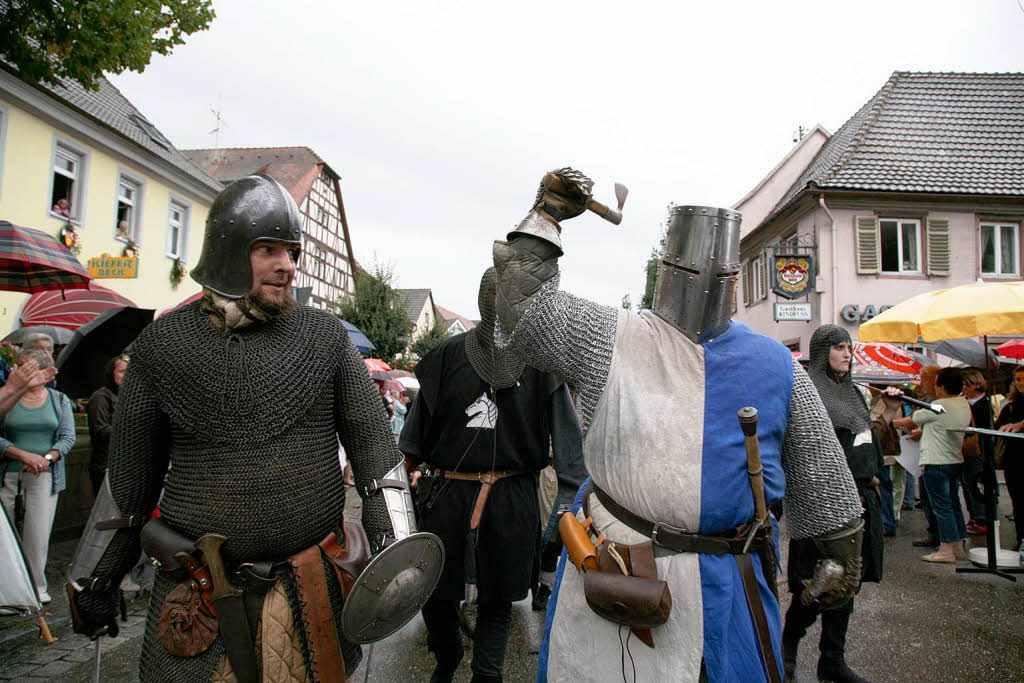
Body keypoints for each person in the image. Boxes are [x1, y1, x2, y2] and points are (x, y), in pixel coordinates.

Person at [489, 169, 864, 683]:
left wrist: (840, 549)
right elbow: (523, 311)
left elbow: (822, 473)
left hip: (729, 580)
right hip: (619, 570)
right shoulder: (611, 337)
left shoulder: (774, 364)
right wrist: (547, 215)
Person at [65, 174, 419, 682]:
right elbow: (129, 486)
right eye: (268, 249)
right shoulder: (164, 348)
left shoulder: (324, 340)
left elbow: (376, 455)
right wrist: (98, 578)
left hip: (309, 585)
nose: (287, 265)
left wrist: (396, 549)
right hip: (200, 589)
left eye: (291, 251)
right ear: (230, 251)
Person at [401, 268, 586, 683]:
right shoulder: (444, 360)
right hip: (447, 495)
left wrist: (559, 523)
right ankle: (446, 655)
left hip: (512, 497)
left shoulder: (542, 366)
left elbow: (572, 463)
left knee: (497, 603)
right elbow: (410, 445)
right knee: (436, 595)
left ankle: (487, 677)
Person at [784, 325, 886, 683]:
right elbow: (804, 451)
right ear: (822, 350)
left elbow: (867, 443)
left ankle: (832, 661)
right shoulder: (809, 393)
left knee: (848, 584)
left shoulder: (855, 394)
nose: (847, 354)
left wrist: (873, 477)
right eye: (840, 348)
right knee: (814, 586)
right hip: (823, 504)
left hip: (861, 501)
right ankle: (788, 648)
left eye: (849, 348)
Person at [0, 349, 76, 604]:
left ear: (43, 372)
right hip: (8, 473)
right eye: (18, 366)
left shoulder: (59, 400)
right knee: (7, 536)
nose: (17, 371)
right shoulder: (8, 398)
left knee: (37, 534)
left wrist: (46, 458)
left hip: (44, 474)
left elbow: (67, 437)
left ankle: (36, 587)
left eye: (25, 367)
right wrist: (22, 455)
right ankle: (9, 591)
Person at [894, 367, 971, 563]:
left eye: (936, 383)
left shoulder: (937, 405)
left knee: (942, 507)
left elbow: (910, 421)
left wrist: (887, 421)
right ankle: (958, 546)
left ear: (942, 386)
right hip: (955, 459)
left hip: (936, 462)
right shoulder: (963, 403)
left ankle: (946, 549)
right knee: (953, 504)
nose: (934, 387)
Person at [85, 355, 129, 497]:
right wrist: (132, 430)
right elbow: (100, 430)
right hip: (106, 465)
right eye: (122, 371)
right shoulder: (101, 397)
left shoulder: (131, 397)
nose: (127, 375)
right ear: (112, 373)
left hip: (129, 465)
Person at [995, 365, 1024, 551]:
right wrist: (1003, 426)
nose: (1020, 383)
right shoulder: (1011, 405)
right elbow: (998, 425)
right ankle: (1021, 539)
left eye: (1023, 379)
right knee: (1018, 503)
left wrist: (1021, 424)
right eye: (1018, 379)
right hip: (1014, 460)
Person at [961, 368, 992, 535]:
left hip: (978, 447)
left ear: (976, 385)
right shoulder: (964, 401)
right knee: (966, 483)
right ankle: (974, 515)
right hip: (965, 447)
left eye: (967, 384)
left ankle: (981, 518)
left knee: (975, 481)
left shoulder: (983, 404)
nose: (964, 387)